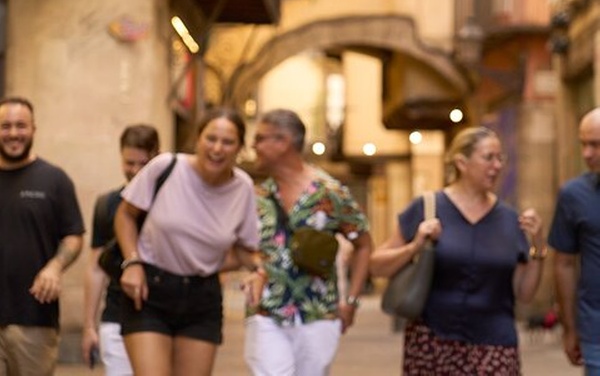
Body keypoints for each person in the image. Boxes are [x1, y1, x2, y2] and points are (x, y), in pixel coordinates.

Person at [370, 125, 546, 374]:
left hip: (495, 344)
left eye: (500, 158)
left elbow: (524, 293)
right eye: (488, 158)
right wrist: (414, 246)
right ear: (462, 163)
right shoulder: (427, 208)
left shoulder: (509, 219)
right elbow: (376, 266)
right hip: (432, 342)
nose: (497, 166)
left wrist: (538, 246)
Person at [114, 106, 261, 376]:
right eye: (211, 138)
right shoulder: (165, 167)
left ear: (240, 147)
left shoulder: (243, 187)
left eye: (228, 142)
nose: (217, 148)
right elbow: (125, 215)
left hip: (202, 297)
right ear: (197, 139)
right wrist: (132, 262)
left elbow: (244, 248)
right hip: (150, 291)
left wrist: (259, 269)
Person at [243, 108, 373, 376]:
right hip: (265, 312)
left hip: (317, 312)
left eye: (260, 138)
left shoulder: (330, 193)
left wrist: (351, 301)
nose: (253, 146)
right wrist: (254, 267)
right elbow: (242, 246)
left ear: (283, 142)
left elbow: (364, 244)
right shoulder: (258, 196)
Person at [0, 96, 85, 375]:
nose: (13, 133)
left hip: (33, 318)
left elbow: (73, 235)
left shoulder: (54, 180)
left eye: (21, 125)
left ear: (33, 129)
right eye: (5, 126)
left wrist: (55, 266)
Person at [82, 124, 160, 374]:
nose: (135, 171)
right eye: (129, 163)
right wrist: (89, 326)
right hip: (117, 317)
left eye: (143, 164)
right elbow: (96, 268)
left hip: (162, 316)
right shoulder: (107, 204)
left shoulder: (169, 201)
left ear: (156, 158)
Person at [548, 107, 600, 373]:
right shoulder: (573, 194)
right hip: (595, 330)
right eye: (583, 144)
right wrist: (569, 328)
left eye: (596, 145)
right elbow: (564, 263)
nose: (587, 154)